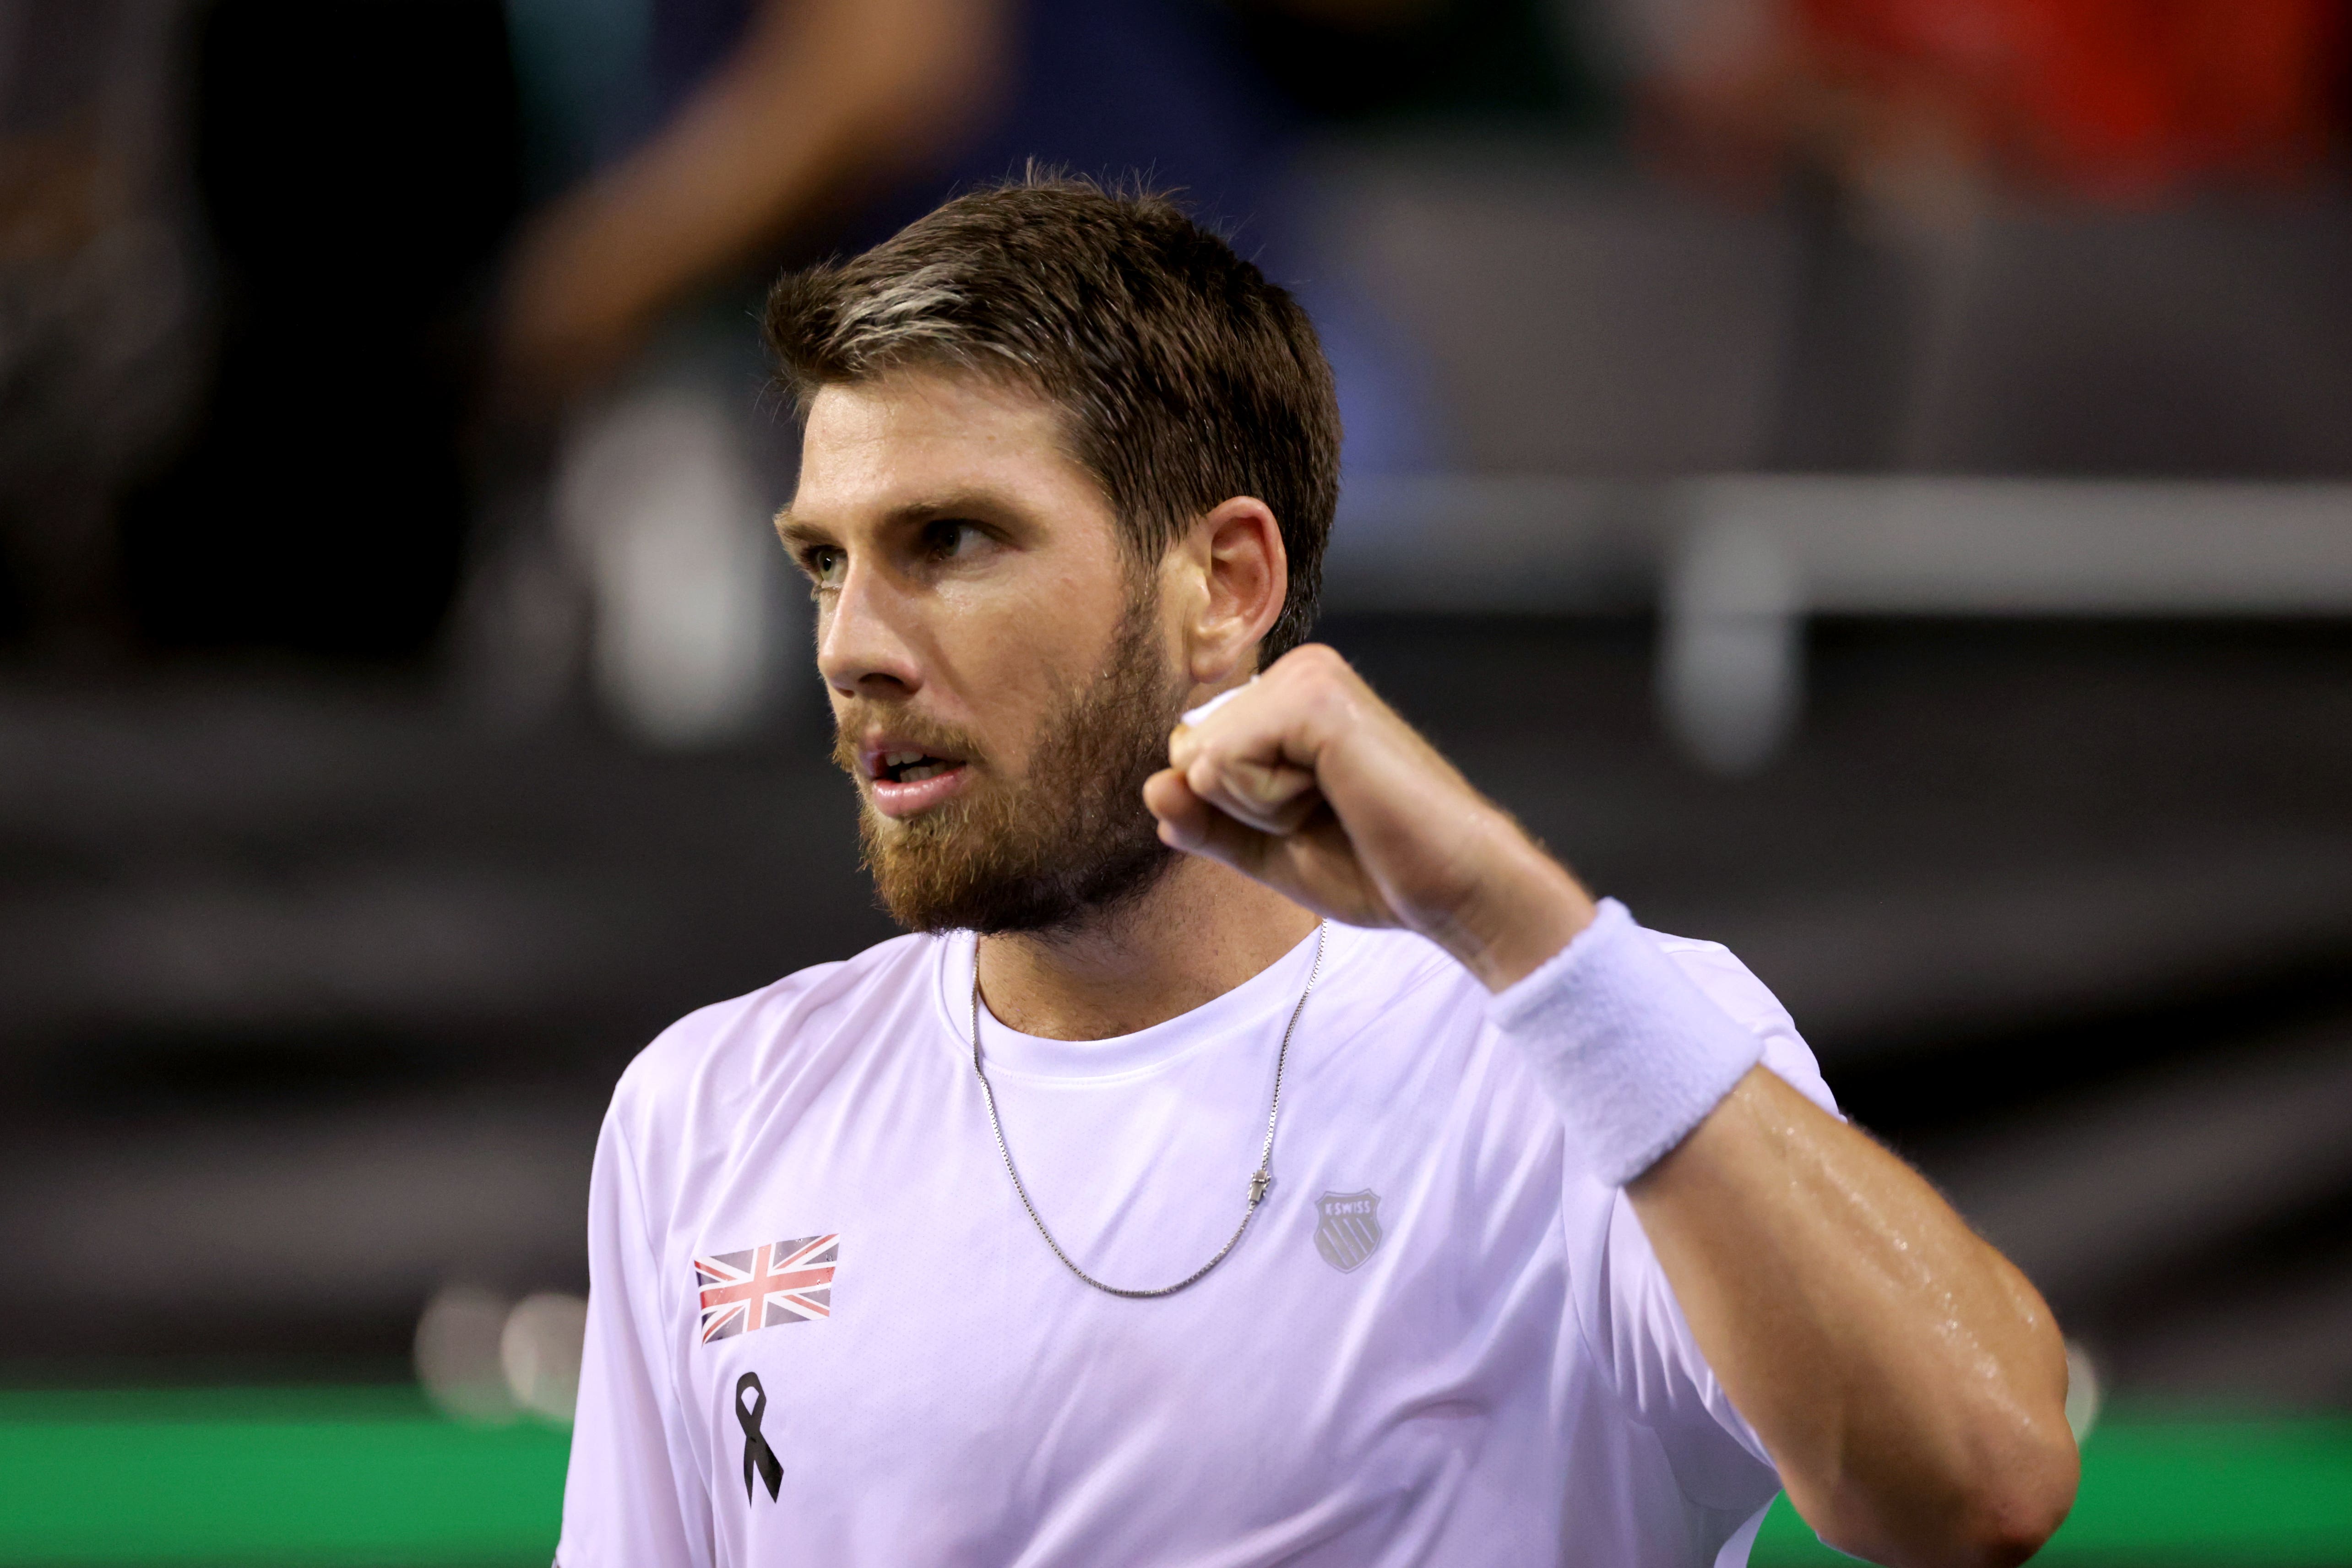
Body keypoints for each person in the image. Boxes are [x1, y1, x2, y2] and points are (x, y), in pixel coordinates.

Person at [556, 176, 2078, 1568]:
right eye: (825, 559)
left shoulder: (1602, 1047)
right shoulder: (709, 1108)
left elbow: (1981, 1485)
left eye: (948, 539)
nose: (850, 648)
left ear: (1225, 584)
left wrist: (1517, 923)